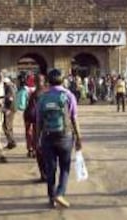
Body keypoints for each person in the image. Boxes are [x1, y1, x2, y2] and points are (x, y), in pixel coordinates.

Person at [36, 69, 82, 208]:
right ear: (63, 81)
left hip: (48, 136)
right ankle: (60, 193)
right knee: (65, 167)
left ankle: (51, 198)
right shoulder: (68, 95)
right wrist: (79, 138)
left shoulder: (43, 97)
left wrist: (37, 139)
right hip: (65, 136)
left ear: (48, 82)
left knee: (50, 168)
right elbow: (74, 118)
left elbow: (39, 121)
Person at [24, 74, 47, 180]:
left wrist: (27, 123)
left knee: (39, 149)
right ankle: (50, 174)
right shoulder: (49, 93)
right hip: (51, 125)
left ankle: (43, 174)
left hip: (38, 125)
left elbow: (29, 112)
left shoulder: (34, 94)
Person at [3, 77, 17, 149]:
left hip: (10, 109)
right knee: (9, 126)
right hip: (12, 109)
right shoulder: (12, 87)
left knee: (6, 126)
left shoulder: (9, 88)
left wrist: (7, 108)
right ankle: (11, 142)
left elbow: (10, 99)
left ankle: (11, 142)